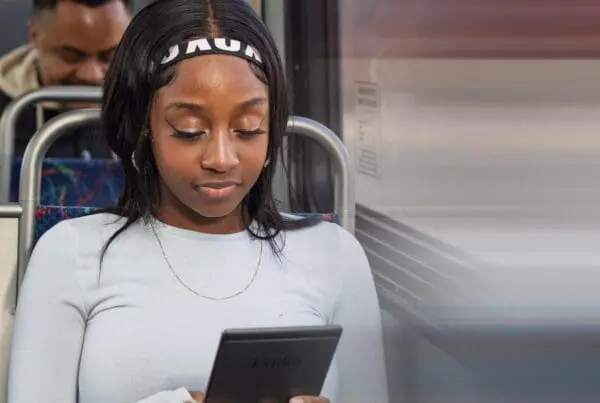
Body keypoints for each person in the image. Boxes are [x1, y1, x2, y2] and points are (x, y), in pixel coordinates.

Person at [8, 0, 389, 402]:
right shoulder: (71, 252)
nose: (221, 159)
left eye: (248, 129)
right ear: (142, 126)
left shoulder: (334, 254)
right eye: (189, 131)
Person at [0, 0, 132, 158]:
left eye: (110, 57)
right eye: (71, 57)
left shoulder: (150, 105)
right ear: (34, 36)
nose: (92, 75)